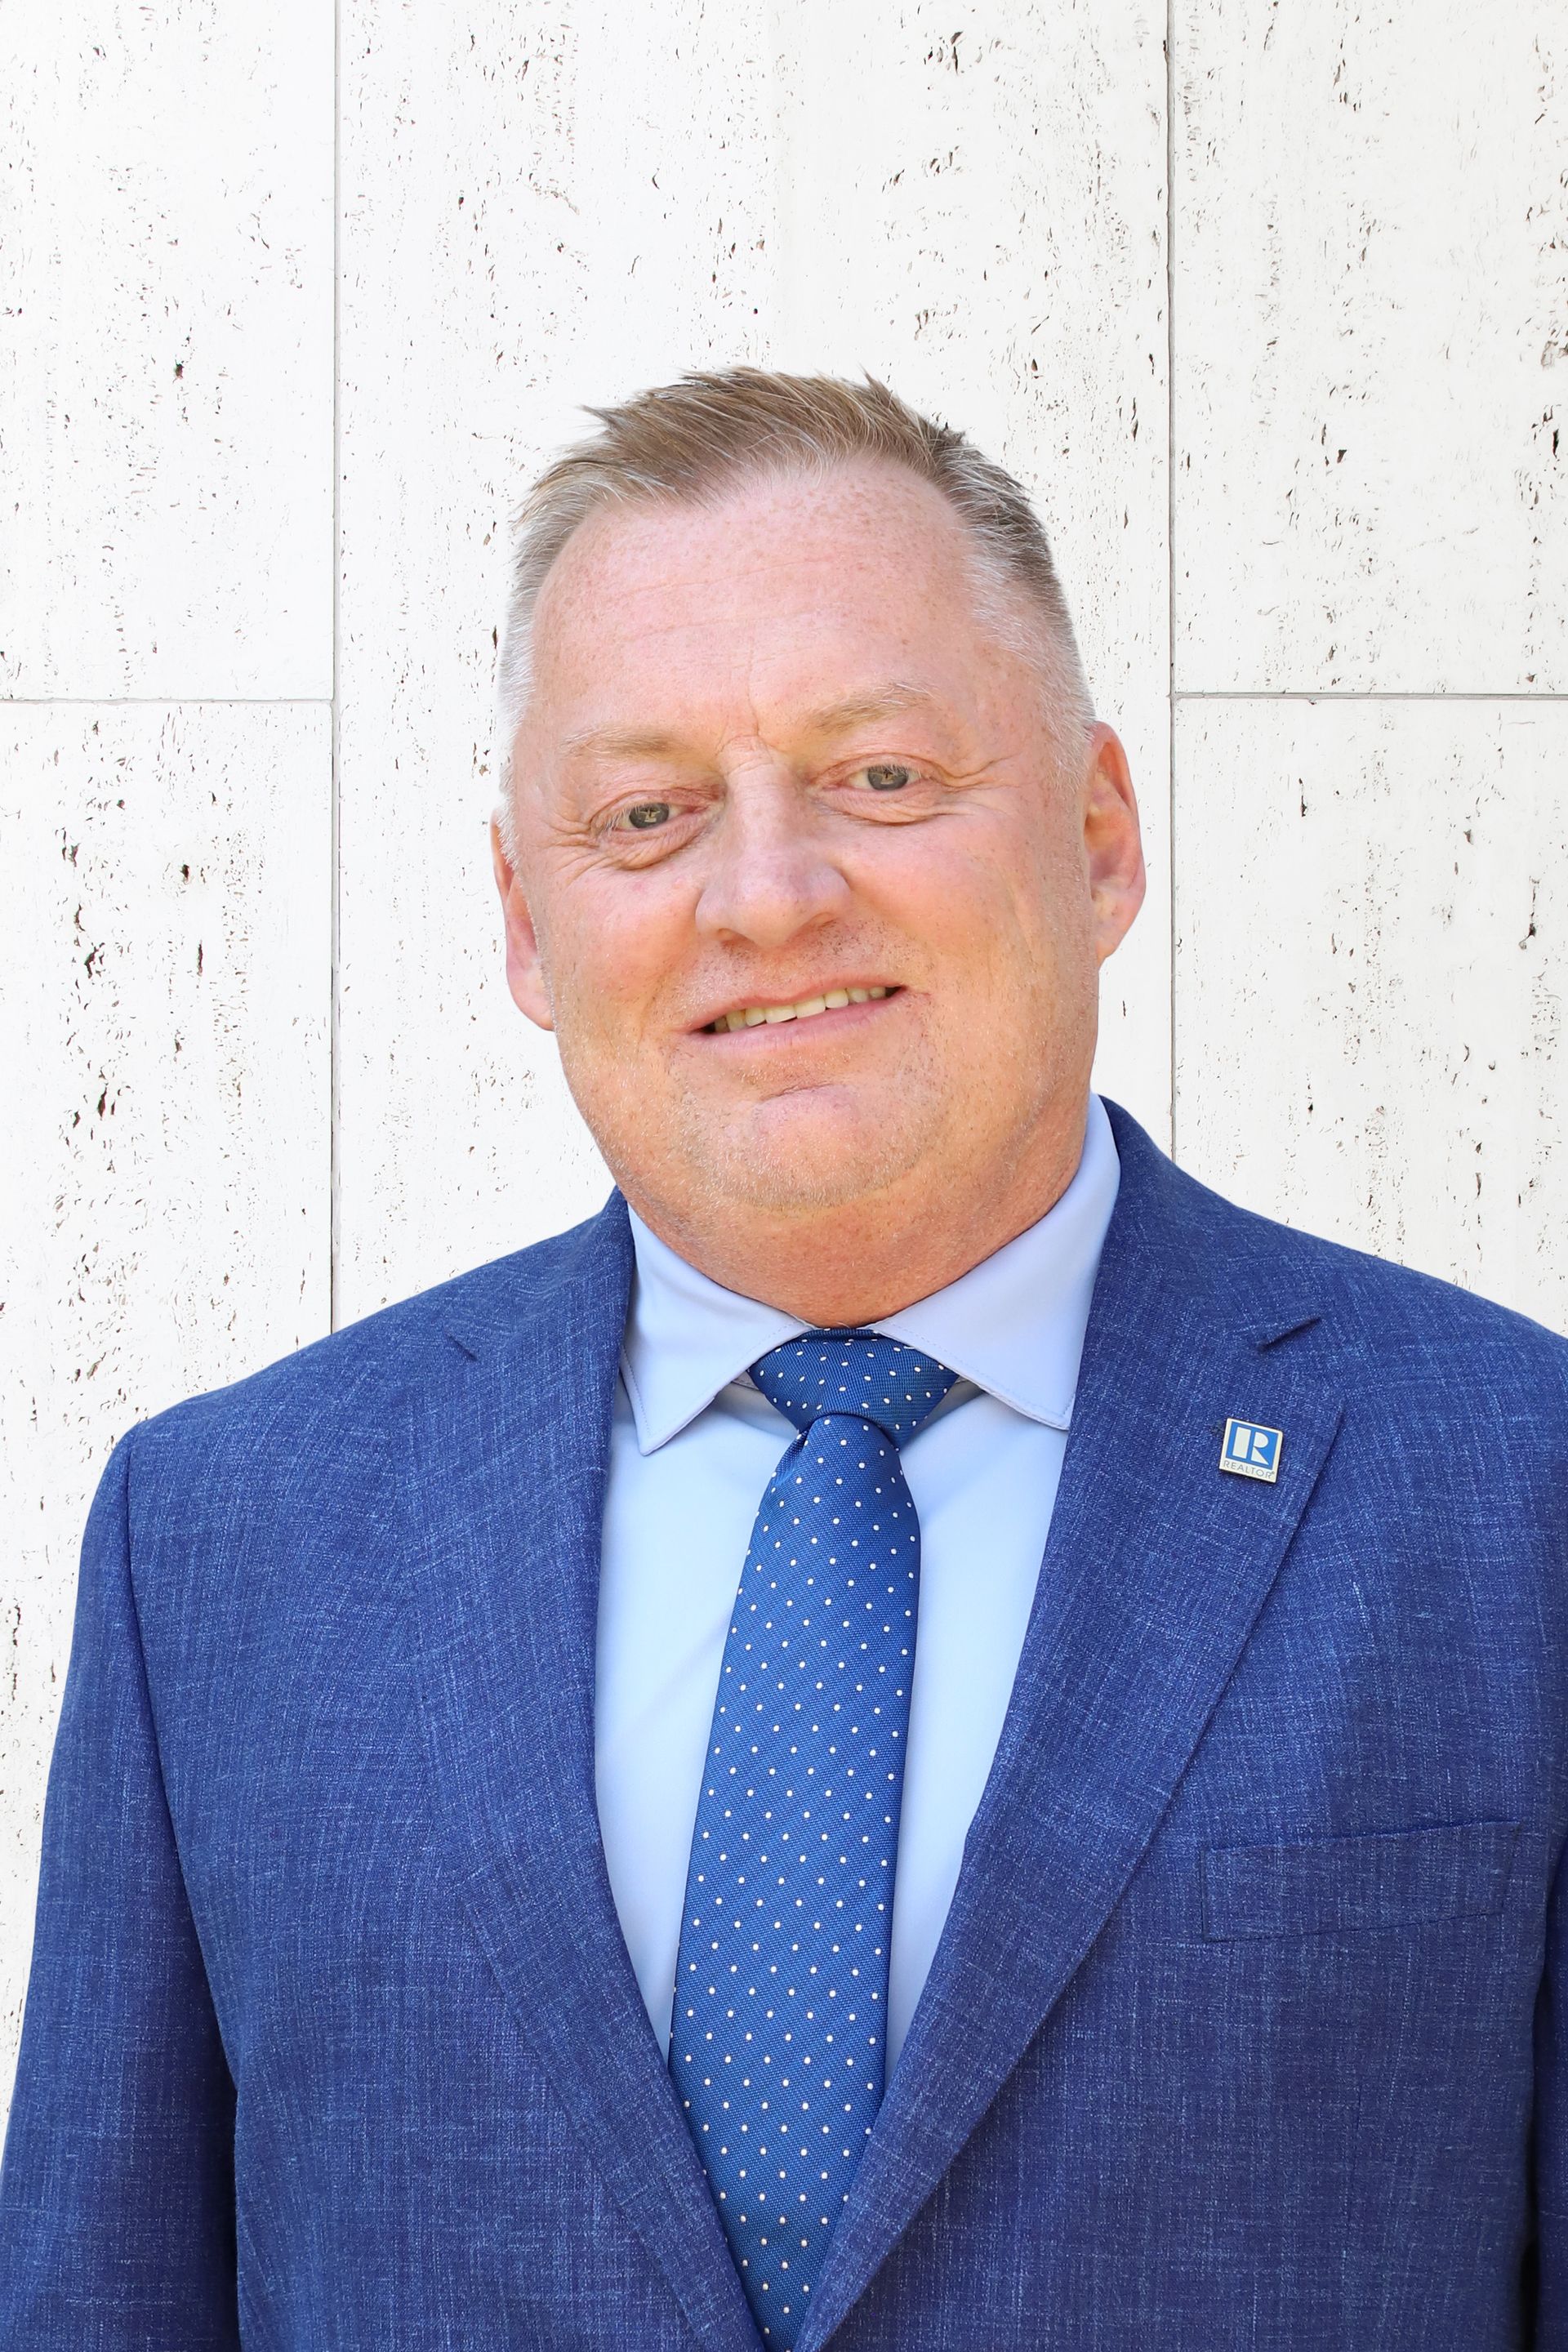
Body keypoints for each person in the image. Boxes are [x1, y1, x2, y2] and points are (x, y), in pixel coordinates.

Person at [1, 368, 1564, 2352]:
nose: (766, 895)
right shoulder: (226, 1538)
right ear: (527, 923)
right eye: (648, 816)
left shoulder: (1517, 1493)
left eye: (881, 777)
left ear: (1098, 839)